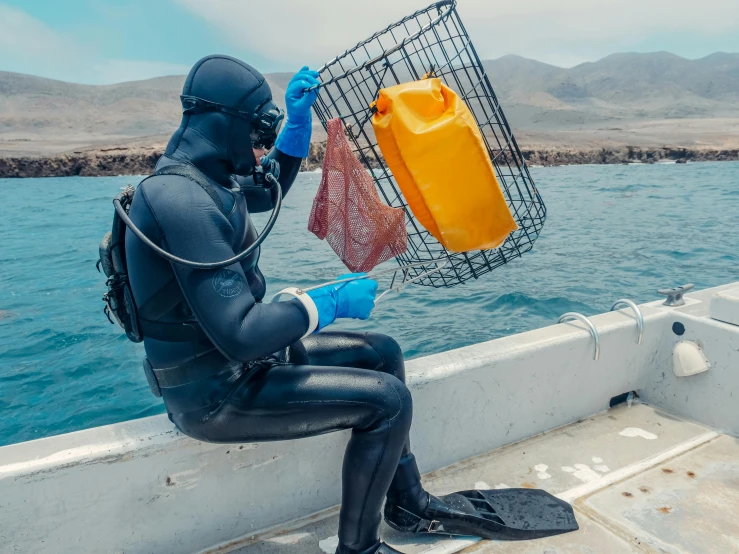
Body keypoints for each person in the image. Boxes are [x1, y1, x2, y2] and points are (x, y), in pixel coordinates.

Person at [124, 55, 577, 554]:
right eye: (257, 134)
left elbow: (267, 184)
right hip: (213, 394)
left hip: (248, 364)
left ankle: (407, 503)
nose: (260, 149)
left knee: (382, 352)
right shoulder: (177, 202)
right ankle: (358, 549)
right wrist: (327, 300)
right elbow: (242, 332)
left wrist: (297, 126)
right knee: (388, 402)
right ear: (226, 122)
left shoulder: (209, 181)